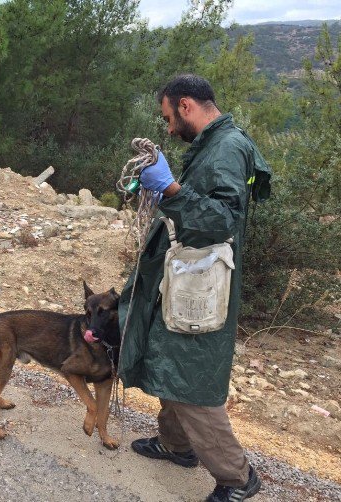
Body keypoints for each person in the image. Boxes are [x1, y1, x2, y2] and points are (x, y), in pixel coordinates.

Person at [118, 74, 271, 502]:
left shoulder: (227, 149)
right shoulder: (212, 145)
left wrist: (169, 188)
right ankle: (177, 446)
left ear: (186, 106)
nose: (168, 129)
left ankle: (238, 478)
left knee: (191, 376)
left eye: (168, 118)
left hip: (203, 284)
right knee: (170, 355)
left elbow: (223, 221)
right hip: (185, 276)